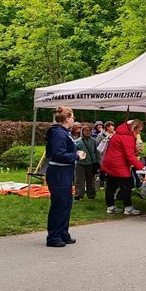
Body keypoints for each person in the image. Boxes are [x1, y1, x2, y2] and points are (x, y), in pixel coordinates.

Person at [44, 106, 86, 248]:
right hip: (58, 172)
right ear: (67, 119)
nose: (74, 120)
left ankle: (63, 233)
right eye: (72, 117)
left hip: (65, 172)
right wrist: (76, 156)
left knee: (66, 203)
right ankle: (53, 236)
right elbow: (58, 154)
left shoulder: (63, 133)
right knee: (59, 204)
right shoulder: (59, 134)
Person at [101, 119, 145, 216]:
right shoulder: (127, 138)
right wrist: (142, 167)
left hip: (110, 163)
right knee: (127, 185)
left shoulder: (118, 133)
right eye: (139, 130)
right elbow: (130, 156)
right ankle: (128, 208)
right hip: (119, 164)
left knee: (110, 185)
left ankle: (110, 207)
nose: (139, 133)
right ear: (134, 128)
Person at [74, 123, 100, 200]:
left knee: (91, 180)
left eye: (89, 130)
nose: (87, 132)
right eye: (85, 130)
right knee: (79, 180)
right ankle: (79, 195)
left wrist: (97, 162)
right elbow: (74, 151)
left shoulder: (94, 141)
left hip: (91, 163)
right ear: (82, 131)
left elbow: (97, 152)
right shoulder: (77, 141)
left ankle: (91, 195)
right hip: (80, 163)